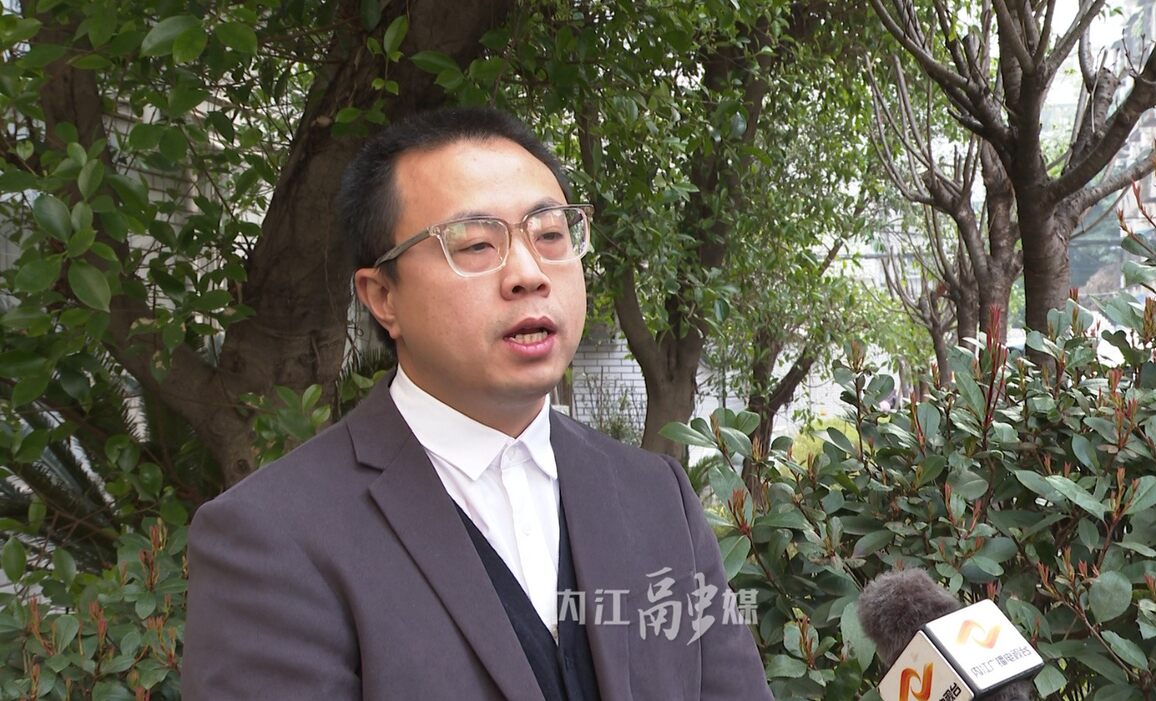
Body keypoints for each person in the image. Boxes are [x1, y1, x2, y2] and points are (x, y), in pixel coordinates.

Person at [182, 106, 772, 700]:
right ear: (382, 296)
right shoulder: (273, 537)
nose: (528, 273)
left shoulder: (655, 494)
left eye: (550, 235)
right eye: (476, 244)